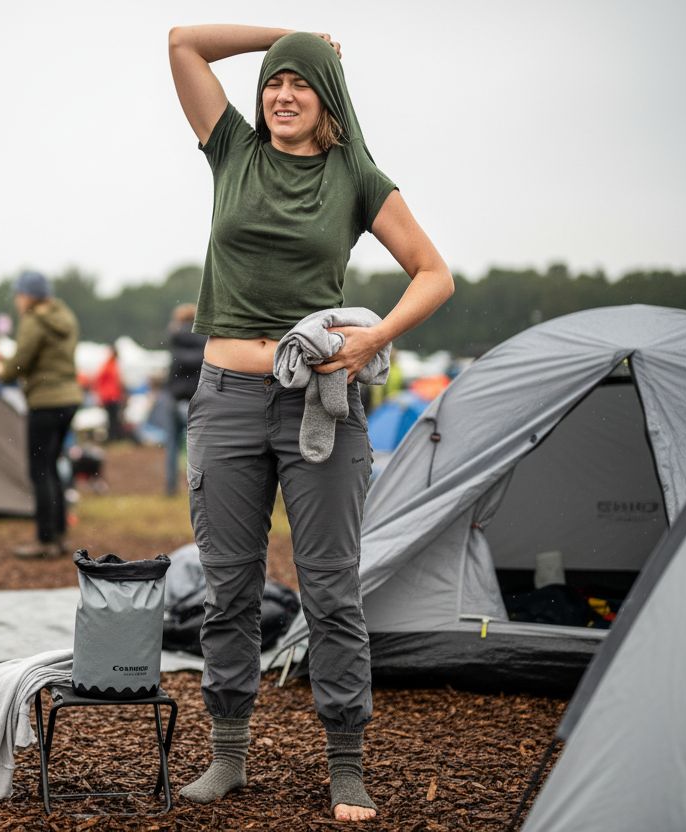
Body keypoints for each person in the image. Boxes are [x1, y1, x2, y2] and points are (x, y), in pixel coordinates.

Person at [168, 26, 454, 822]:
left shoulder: (355, 175)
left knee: (331, 590)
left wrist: (375, 336)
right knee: (228, 586)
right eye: (272, 83)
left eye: (299, 83)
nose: (282, 96)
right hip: (226, 397)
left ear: (328, 98)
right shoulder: (232, 150)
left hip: (320, 406)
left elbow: (434, 274)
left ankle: (346, 765)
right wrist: (283, 35)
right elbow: (183, 43)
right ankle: (227, 756)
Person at [0, 270, 83, 559]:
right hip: (69, 399)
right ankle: (59, 536)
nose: (17, 301)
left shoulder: (33, 321)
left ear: (29, 296)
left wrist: (1, 370)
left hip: (45, 401)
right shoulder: (66, 318)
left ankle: (44, 540)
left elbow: (21, 361)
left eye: (19, 294)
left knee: (39, 470)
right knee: (53, 466)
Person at [164, 303, 207, 495]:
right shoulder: (205, 341)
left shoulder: (175, 341)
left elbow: (172, 373)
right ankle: (197, 484)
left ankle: (171, 486)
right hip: (197, 399)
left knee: (172, 446)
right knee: (197, 446)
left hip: (176, 398)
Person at [92, 343, 126, 443]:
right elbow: (99, 381)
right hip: (110, 397)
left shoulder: (111, 364)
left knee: (113, 418)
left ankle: (114, 438)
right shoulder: (108, 365)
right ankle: (113, 438)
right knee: (113, 419)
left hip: (112, 396)